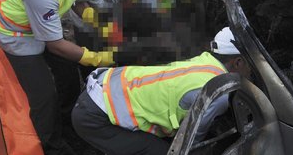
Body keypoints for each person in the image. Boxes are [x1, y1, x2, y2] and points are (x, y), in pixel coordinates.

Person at [0, 0, 117, 154]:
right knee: (43, 94)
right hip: (16, 34)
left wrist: (99, 22)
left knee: (67, 73)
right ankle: (51, 144)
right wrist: (97, 58)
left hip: (38, 23)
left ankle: (68, 123)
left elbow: (76, 0)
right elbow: (55, 44)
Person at [71, 27, 251, 155]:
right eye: (251, 63)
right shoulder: (218, 93)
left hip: (102, 89)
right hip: (95, 118)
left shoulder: (205, 60)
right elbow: (190, 140)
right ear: (238, 62)